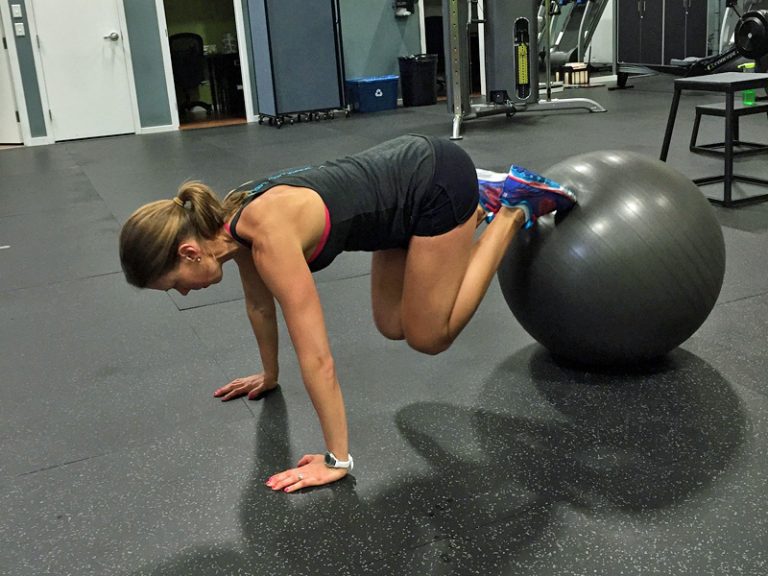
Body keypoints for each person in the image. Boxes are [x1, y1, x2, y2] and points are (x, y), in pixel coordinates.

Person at [119, 134, 575, 493]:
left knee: (428, 336)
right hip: (398, 195)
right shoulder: (229, 221)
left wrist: (336, 459)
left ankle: (512, 205)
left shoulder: (269, 239)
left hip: (432, 183)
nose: (181, 293)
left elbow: (318, 357)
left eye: (175, 282)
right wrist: (269, 374)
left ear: (191, 251)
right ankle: (477, 210)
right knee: (391, 323)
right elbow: (259, 303)